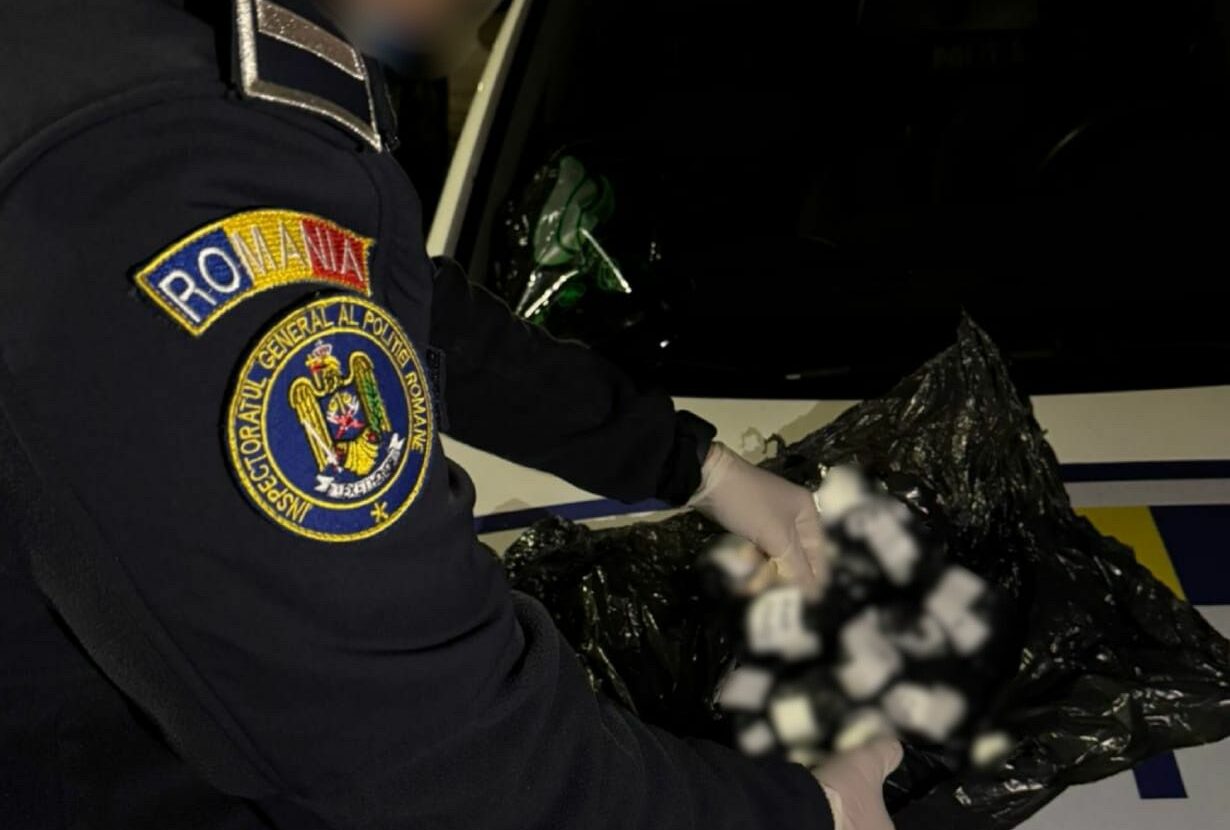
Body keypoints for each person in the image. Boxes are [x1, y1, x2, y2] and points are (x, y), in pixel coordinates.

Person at [0, 1, 901, 827]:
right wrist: (808, 810)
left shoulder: (148, 58)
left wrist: (690, 463)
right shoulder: (168, 153)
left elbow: (393, 292)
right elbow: (427, 747)